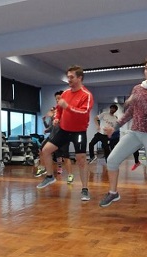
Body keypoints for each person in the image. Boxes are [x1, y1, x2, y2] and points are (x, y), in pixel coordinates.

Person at [99, 55, 147, 221]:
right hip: (135, 132)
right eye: (146, 68)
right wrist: (116, 126)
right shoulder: (137, 88)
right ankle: (113, 193)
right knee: (112, 160)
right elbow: (130, 111)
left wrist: (136, 99)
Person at [36, 65, 94, 200]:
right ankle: (50, 176)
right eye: (68, 77)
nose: (69, 80)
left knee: (81, 160)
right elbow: (59, 110)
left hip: (79, 132)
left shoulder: (87, 95)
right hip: (64, 129)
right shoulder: (66, 94)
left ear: (80, 78)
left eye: (72, 77)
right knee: (45, 150)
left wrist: (68, 107)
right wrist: (56, 118)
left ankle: (85, 189)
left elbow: (84, 112)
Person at [35, 91, 74, 184]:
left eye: (59, 98)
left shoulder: (67, 110)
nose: (57, 100)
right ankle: (42, 168)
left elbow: (67, 124)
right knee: (41, 149)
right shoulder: (54, 110)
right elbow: (51, 126)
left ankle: (70, 175)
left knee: (65, 157)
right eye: (56, 98)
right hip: (53, 136)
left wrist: (56, 117)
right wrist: (45, 122)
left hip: (63, 136)